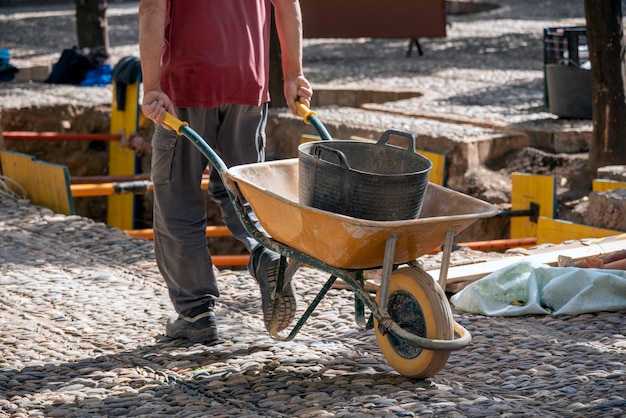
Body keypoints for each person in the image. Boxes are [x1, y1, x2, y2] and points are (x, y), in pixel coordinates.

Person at [138, 0, 313, 343]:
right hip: (248, 84)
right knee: (244, 193)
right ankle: (267, 257)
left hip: (186, 85)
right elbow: (288, 5)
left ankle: (196, 312)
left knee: (177, 198)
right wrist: (293, 74)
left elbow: (152, 8)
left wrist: (151, 86)